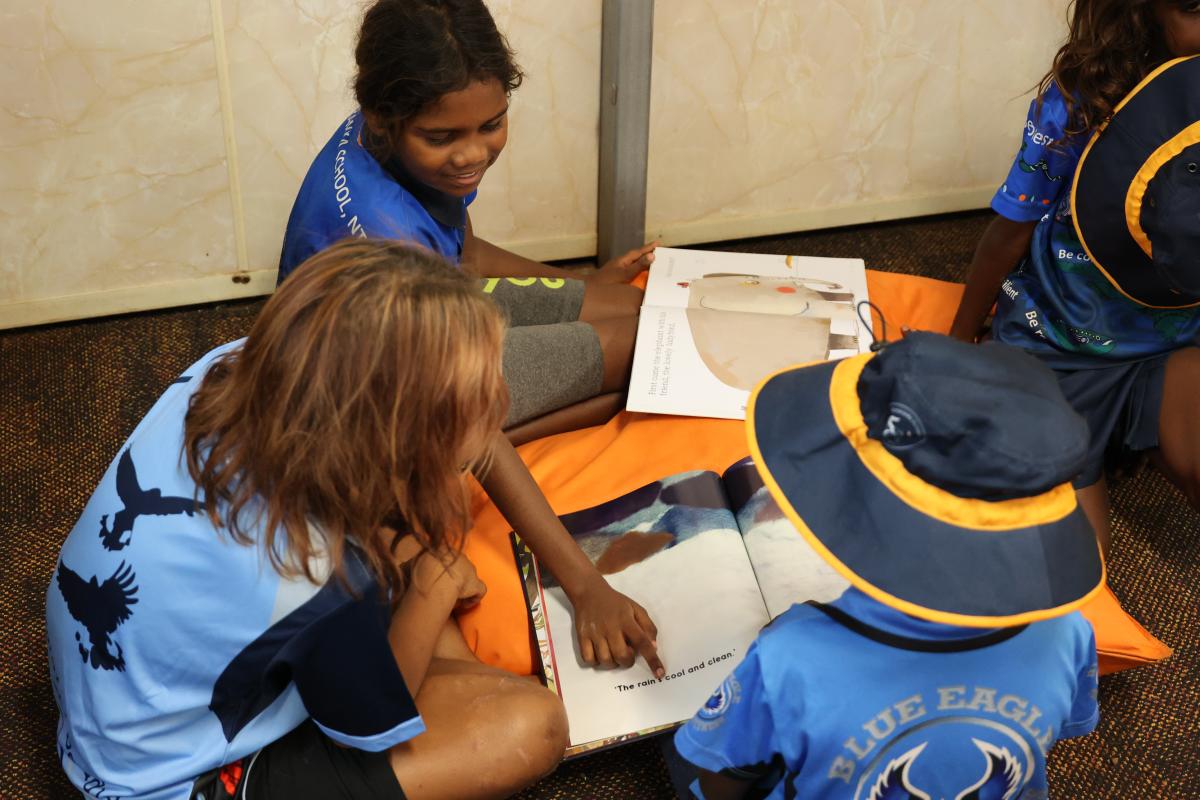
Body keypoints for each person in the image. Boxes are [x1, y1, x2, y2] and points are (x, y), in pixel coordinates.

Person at [45, 240, 661, 800]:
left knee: (428, 540)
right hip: (166, 780)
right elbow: (361, 726)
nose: (501, 405)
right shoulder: (320, 572)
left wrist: (578, 582)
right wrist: (431, 588)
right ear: (391, 438)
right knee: (530, 725)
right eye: (481, 400)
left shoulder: (242, 367)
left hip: (123, 700)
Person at [673, 332, 1105, 800]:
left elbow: (722, 787)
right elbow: (1060, 728)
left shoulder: (787, 657)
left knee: (690, 754)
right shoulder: (1069, 631)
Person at [279, 0, 656, 444]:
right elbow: (435, 388)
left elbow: (468, 254)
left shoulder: (386, 125)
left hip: (428, 321)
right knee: (649, 347)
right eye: (442, 138)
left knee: (635, 307)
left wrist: (586, 282)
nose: (472, 154)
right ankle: (465, 455)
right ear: (382, 117)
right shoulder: (392, 241)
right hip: (384, 394)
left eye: (491, 125)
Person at [948, 0, 1200, 553]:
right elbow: (1009, 229)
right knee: (1070, 563)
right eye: (1194, 8)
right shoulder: (1078, 103)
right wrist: (960, 334)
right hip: (1062, 339)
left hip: (1175, 335)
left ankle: (1131, 432)